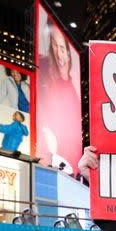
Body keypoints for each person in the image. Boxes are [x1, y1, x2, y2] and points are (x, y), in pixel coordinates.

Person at [36, 19, 80, 172]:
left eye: (62, 47)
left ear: (69, 53)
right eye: (54, 45)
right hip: (47, 161)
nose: (58, 53)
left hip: (68, 169)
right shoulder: (43, 69)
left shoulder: (73, 92)